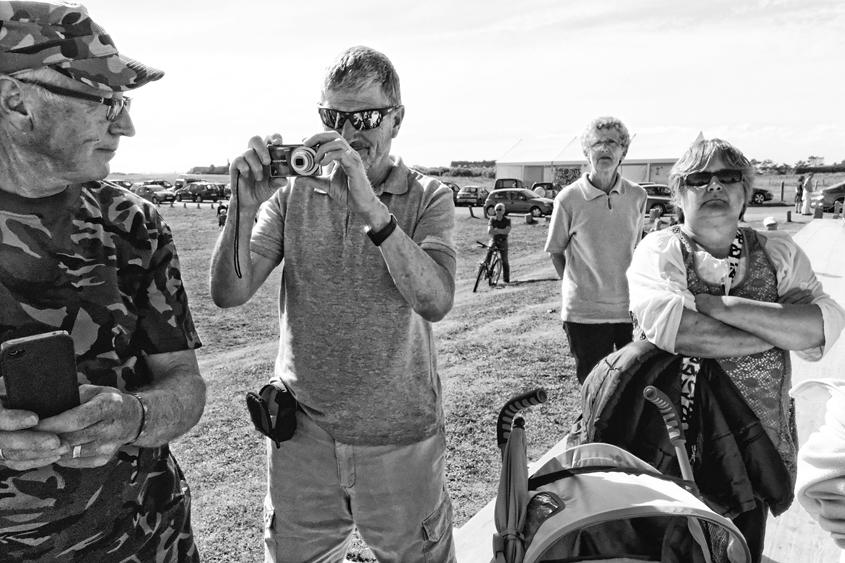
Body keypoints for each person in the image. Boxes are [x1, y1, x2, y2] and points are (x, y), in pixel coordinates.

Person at [209, 46, 456, 562]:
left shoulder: (427, 196)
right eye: (333, 117)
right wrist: (244, 205)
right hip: (302, 438)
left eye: (364, 117)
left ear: (397, 119)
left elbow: (435, 300)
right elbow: (229, 292)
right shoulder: (292, 195)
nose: (348, 132)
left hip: (399, 439)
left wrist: (371, 207)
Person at [0, 2, 207, 562]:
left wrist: (134, 417)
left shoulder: (131, 223)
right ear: (17, 101)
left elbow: (184, 385)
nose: (127, 125)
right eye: (105, 101)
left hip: (146, 538)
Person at [627, 138, 845, 562]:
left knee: (744, 543)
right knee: (672, 543)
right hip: (672, 439)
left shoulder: (778, 252)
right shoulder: (659, 251)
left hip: (757, 435)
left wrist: (719, 305)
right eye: (699, 178)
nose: (714, 187)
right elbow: (682, 330)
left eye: (728, 177)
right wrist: (779, 329)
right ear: (678, 194)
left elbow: (822, 324)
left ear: (745, 192)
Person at [544, 116, 647, 384]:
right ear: (586, 152)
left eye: (612, 142)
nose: (604, 149)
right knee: (593, 387)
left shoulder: (638, 196)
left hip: (630, 310)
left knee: (633, 386)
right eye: (597, 143)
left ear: (623, 150)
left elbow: (634, 246)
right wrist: (577, 287)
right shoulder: (568, 199)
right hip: (584, 314)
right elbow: (556, 250)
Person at [486, 202, 511, 283]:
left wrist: (496, 230)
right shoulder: (492, 219)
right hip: (494, 240)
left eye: (500, 209)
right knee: (489, 251)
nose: (498, 211)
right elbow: (490, 231)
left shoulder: (507, 220)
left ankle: (506, 279)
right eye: (496, 210)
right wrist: (501, 231)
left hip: (503, 241)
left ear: (503, 211)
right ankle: (487, 269)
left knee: (505, 260)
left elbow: (506, 231)